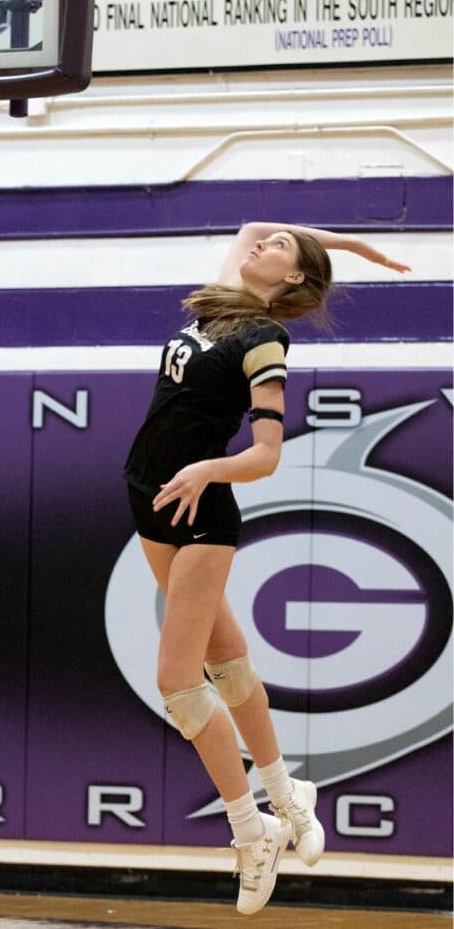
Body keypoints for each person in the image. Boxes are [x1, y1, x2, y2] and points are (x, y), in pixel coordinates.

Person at [123, 221, 410, 915]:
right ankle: (288, 794)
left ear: (290, 279)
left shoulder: (264, 340)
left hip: (201, 511)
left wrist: (206, 468)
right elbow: (252, 224)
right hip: (147, 494)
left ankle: (252, 832)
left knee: (181, 687)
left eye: (281, 246)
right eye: (269, 239)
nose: (261, 241)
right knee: (229, 664)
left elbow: (266, 455)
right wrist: (353, 247)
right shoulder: (221, 299)